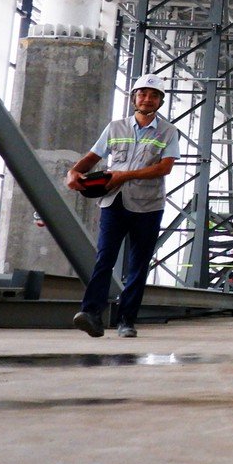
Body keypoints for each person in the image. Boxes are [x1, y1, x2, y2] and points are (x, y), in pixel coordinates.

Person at [66, 73, 181, 338]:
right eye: (142, 94)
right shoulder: (115, 127)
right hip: (113, 202)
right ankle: (91, 313)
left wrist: (125, 175)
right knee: (104, 258)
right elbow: (92, 157)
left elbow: (164, 167)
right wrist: (74, 172)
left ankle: (126, 320)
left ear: (160, 102)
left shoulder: (168, 132)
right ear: (134, 99)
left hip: (148, 206)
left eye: (153, 95)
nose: (147, 99)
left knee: (138, 264)